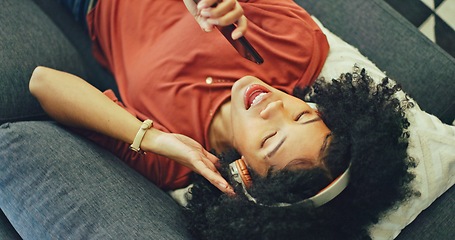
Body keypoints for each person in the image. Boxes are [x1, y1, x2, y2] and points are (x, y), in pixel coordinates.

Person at [26, 0, 454, 239]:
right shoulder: (296, 50)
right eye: (303, 114)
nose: (275, 108)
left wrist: (153, 138)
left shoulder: (170, 157)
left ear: (245, 174)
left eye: (271, 141)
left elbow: (43, 83)